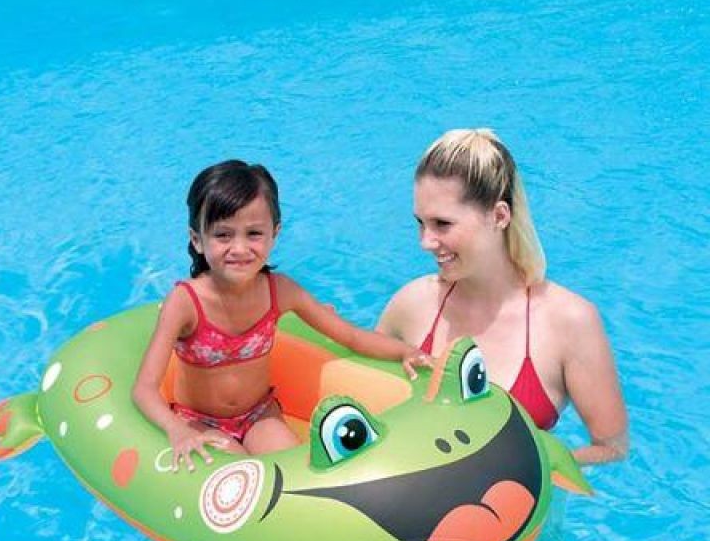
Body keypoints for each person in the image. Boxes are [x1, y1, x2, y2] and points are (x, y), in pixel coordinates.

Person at [133, 159, 431, 472]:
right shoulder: (185, 302)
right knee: (242, 482)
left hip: (259, 415)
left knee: (295, 474)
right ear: (197, 239)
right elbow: (144, 388)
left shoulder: (280, 290)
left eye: (253, 233)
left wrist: (405, 351)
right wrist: (176, 429)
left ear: (274, 234)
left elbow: (350, 335)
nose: (239, 248)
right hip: (200, 422)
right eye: (223, 235)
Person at [377, 128, 628, 464]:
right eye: (420, 223)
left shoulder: (569, 321)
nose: (426, 241)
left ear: (499, 216)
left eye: (442, 224)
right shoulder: (412, 304)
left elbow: (612, 449)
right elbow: (365, 397)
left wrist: (528, 466)